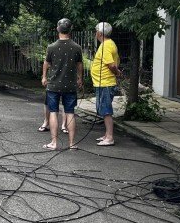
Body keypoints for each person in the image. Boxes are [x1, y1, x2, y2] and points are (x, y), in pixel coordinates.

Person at [41, 18, 83, 150]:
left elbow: (46, 63)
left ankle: (54, 143)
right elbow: (80, 64)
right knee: (70, 113)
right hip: (70, 86)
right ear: (70, 30)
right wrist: (80, 78)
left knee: (53, 112)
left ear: (57, 29)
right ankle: (72, 143)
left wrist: (44, 77)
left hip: (53, 85)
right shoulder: (76, 47)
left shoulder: (51, 47)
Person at [91, 22, 122, 146]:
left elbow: (111, 65)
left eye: (95, 31)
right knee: (103, 108)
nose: (95, 34)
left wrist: (117, 72)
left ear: (99, 33)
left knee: (106, 110)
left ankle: (109, 137)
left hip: (105, 82)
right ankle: (106, 135)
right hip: (102, 82)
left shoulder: (106, 46)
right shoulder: (109, 44)